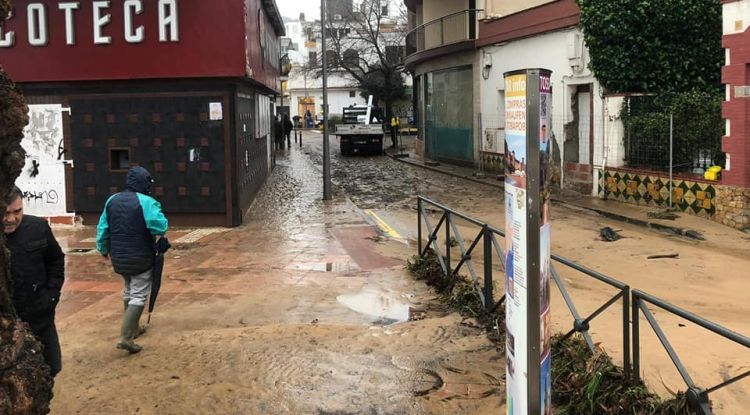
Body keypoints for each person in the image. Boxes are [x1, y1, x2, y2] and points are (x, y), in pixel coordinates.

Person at [96, 166, 169, 354]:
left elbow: (103, 228)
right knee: (138, 294)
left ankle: (134, 328)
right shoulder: (147, 202)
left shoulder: (111, 200)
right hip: (141, 257)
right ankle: (126, 337)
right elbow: (160, 227)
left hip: (119, 258)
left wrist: (103, 249)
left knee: (128, 289)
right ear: (145, 183)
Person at [4, 185, 65, 376]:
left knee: (52, 366)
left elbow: (55, 260)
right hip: (7, 323)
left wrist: (52, 296)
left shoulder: (38, 228)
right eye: (5, 213)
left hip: (40, 314)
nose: (11, 219)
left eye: (17, 211)